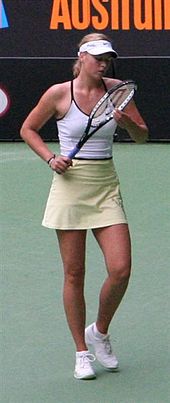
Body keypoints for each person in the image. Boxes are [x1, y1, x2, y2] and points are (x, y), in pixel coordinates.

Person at [20, 32, 148, 380]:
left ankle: (100, 332)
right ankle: (81, 351)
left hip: (105, 185)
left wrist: (127, 124)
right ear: (82, 57)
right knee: (74, 273)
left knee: (120, 268)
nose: (103, 63)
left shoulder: (119, 90)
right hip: (69, 188)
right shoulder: (59, 93)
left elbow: (143, 135)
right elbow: (28, 128)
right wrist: (50, 158)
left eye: (108, 58)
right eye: (98, 57)